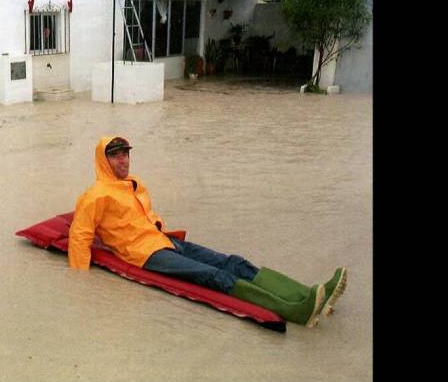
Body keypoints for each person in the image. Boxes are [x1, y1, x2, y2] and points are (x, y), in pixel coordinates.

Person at [68, 136, 347, 328]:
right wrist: (81, 288)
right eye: (115, 156)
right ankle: (294, 310)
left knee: (233, 262)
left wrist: (170, 239)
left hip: (166, 241)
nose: (123, 160)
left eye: (125, 154)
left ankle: (309, 295)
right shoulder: (94, 196)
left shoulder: (134, 183)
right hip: (145, 254)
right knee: (216, 276)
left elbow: (149, 217)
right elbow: (79, 236)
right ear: (103, 161)